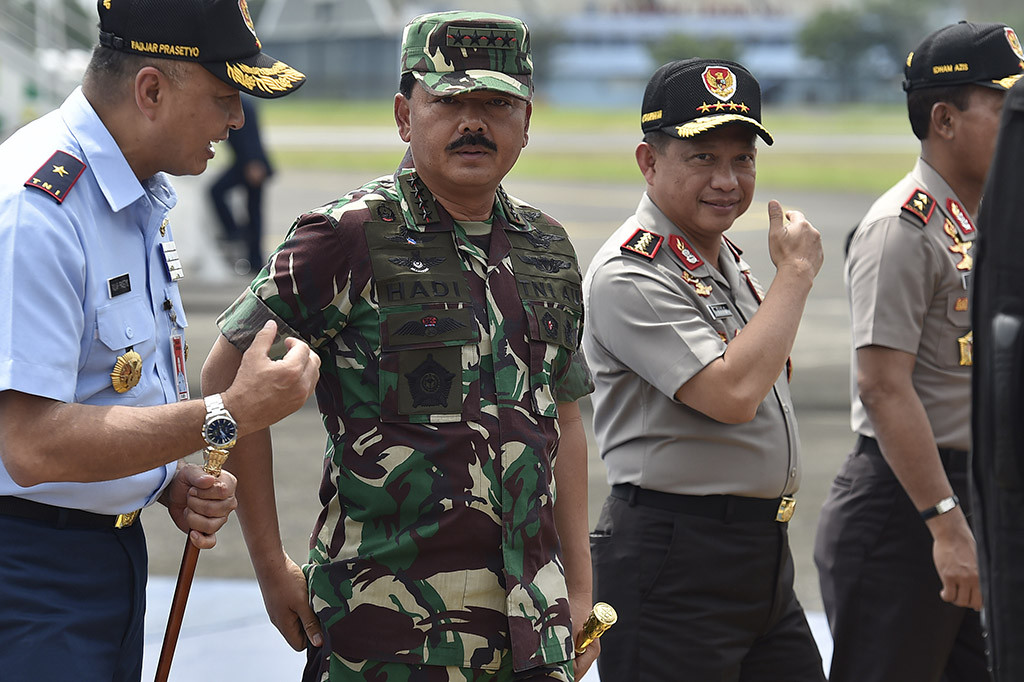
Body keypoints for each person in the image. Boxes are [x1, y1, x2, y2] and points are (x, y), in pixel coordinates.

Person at [201, 10, 597, 682]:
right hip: (385, 637)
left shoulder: (547, 246)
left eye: (497, 104)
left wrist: (579, 594)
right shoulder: (345, 235)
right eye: (450, 101)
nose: (474, 122)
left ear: (527, 121)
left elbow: (564, 419)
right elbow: (227, 379)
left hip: (531, 636)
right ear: (404, 115)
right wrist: (270, 567)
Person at [0, 1, 319, 680]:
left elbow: (103, 386)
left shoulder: (137, 191)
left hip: (102, 559)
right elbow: (29, 444)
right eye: (223, 97)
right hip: (26, 575)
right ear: (150, 90)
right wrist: (226, 414)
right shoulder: (40, 208)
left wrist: (167, 474)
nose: (236, 121)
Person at [583, 58, 826, 681]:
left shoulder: (721, 259)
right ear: (648, 161)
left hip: (758, 555)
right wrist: (794, 276)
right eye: (702, 158)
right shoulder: (630, 271)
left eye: (742, 159)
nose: (727, 180)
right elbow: (734, 392)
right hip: (674, 559)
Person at [814, 21, 1024, 682]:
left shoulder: (987, 222)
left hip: (975, 491)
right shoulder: (901, 228)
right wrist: (947, 525)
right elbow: (882, 387)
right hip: (909, 505)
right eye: (1005, 109)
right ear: (945, 118)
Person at [210, 94, 273, 273]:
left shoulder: (239, 103)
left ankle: (238, 237)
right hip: (245, 163)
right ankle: (251, 254)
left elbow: (251, 135)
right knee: (253, 211)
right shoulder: (236, 101)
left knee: (219, 193)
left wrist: (254, 162)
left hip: (252, 164)